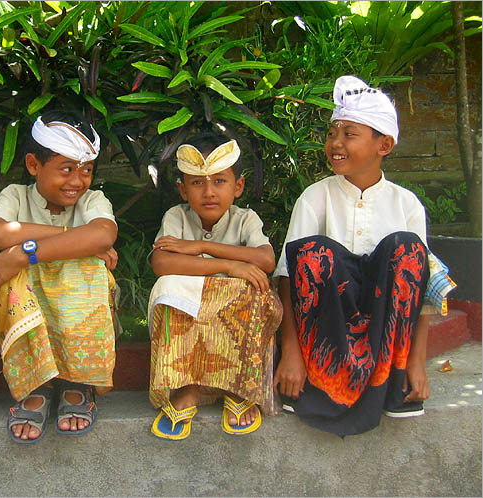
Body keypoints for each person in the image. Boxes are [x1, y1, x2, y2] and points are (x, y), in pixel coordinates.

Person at [273, 75, 445, 436]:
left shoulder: (407, 204)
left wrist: (418, 362)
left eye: (349, 134)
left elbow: (423, 291)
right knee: (313, 252)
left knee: (406, 248)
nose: (335, 143)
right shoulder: (315, 198)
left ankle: (395, 380)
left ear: (384, 144)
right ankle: (322, 384)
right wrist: (291, 354)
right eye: (332, 133)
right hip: (327, 336)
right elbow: (290, 280)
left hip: (385, 334)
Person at [0, 112, 118, 444]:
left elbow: (102, 235)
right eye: (66, 169)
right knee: (17, 282)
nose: (78, 180)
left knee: (83, 269)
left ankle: (76, 382)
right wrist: (71, 237)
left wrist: (24, 253)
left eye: (86, 170)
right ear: (33, 165)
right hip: (28, 290)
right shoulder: (15, 195)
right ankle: (37, 385)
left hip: (73, 291)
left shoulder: (92, 200)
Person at [147, 133, 283, 440]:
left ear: (238, 187)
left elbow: (265, 260)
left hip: (235, 314)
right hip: (194, 314)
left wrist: (196, 248)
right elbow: (162, 264)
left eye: (219, 181)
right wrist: (230, 266)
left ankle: (237, 387)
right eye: (197, 183)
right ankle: (186, 387)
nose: (209, 192)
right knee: (171, 288)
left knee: (252, 291)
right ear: (183, 189)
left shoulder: (245, 219)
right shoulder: (176, 217)